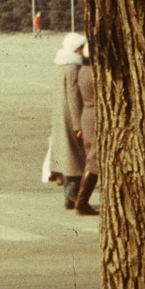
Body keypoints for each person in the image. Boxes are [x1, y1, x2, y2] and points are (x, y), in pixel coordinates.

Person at [47, 32, 89, 211]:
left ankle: (69, 196)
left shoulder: (61, 64)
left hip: (60, 116)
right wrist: (79, 124)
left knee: (66, 155)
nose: (83, 51)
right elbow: (74, 97)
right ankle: (72, 196)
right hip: (71, 117)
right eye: (81, 48)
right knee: (75, 157)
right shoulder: (73, 67)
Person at [74, 43, 100, 216]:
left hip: (87, 114)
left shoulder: (83, 70)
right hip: (96, 114)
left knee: (92, 155)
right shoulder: (95, 73)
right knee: (95, 158)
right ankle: (81, 201)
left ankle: (81, 200)